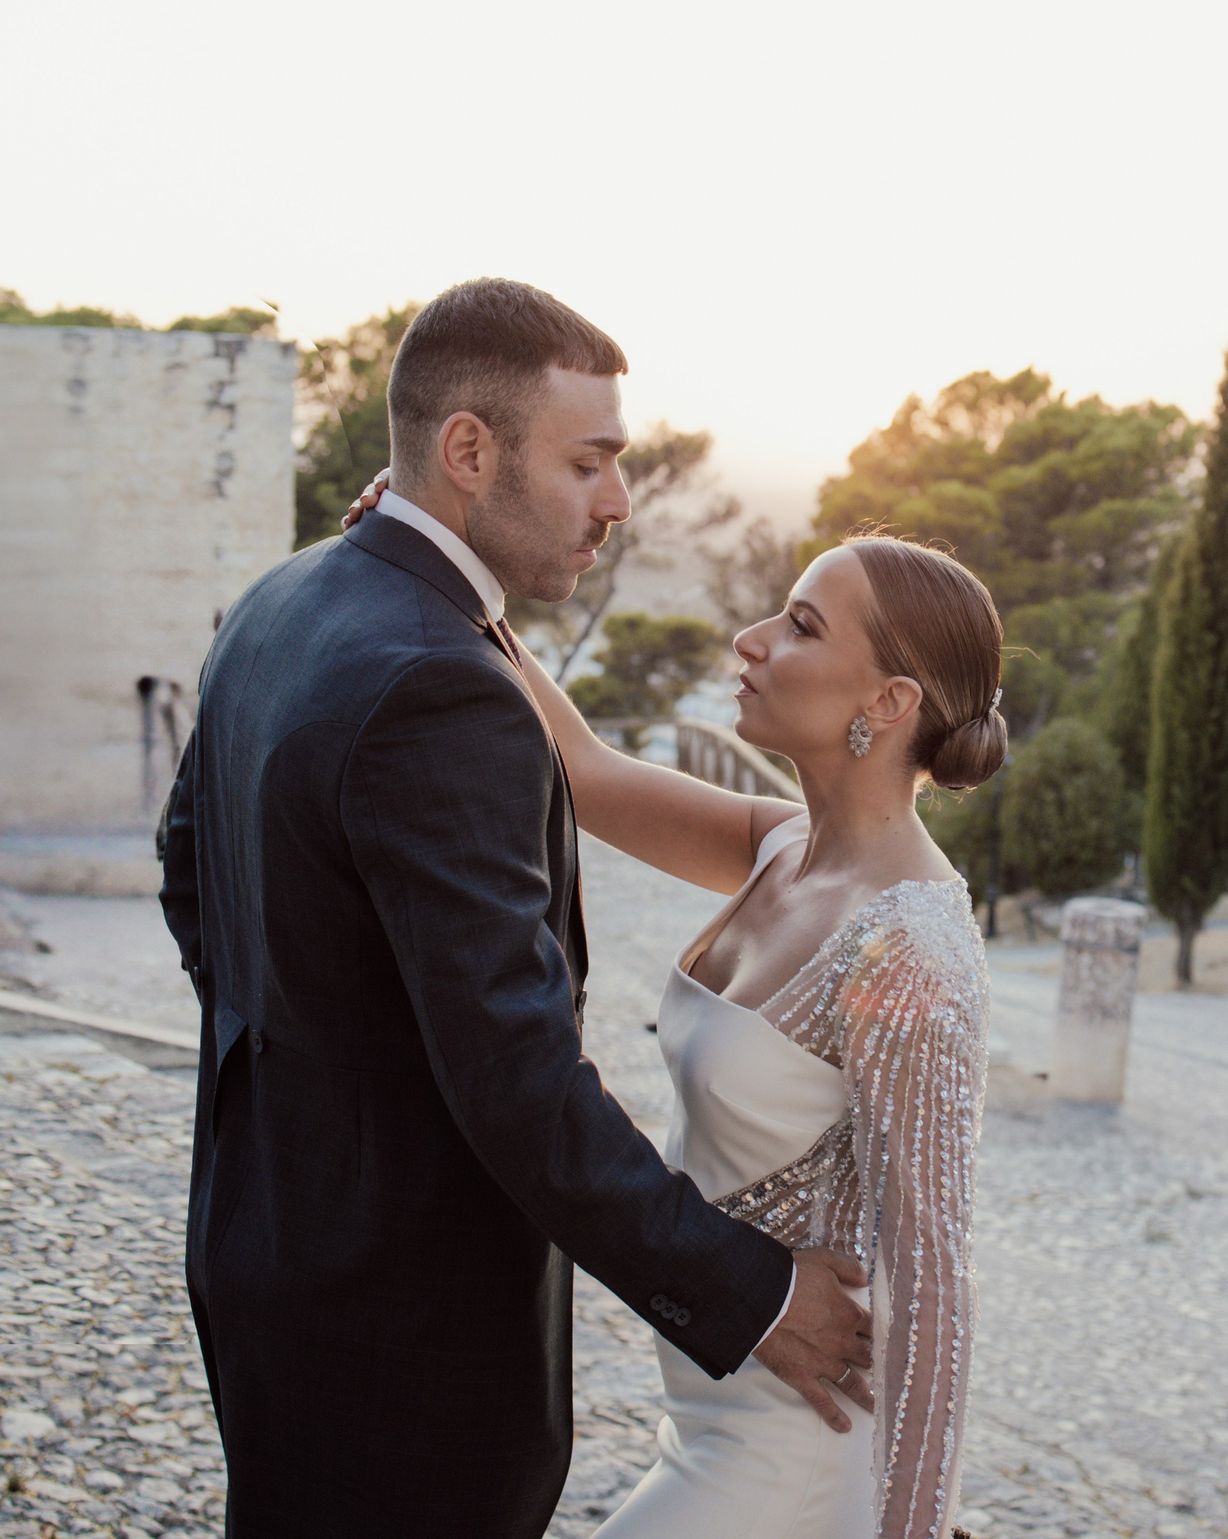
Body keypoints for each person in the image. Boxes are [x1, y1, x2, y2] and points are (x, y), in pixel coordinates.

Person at [157, 278, 875, 1537]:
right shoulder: (444, 689)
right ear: (470, 451)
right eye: (589, 462)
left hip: (259, 1243)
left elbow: (187, 877)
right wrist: (751, 1295)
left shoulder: (284, 601)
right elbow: (519, 1085)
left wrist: (312, 1073)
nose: (618, 500)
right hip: (401, 1325)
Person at [342, 465, 1004, 1538]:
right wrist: (445, 571)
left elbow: (933, 1276)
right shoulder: (778, 847)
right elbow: (583, 768)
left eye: (797, 626)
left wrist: (911, 1532)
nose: (749, 639)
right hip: (706, 1419)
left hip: (800, 1453)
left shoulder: (909, 946)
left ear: (885, 705)